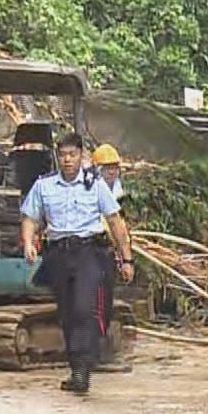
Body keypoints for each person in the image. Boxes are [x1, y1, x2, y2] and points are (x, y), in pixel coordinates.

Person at [21, 132, 133, 394]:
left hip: (89, 253)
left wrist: (126, 258)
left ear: (81, 156)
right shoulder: (44, 185)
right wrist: (28, 243)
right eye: (62, 155)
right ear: (57, 157)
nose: (67, 160)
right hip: (58, 254)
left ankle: (83, 371)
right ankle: (77, 369)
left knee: (84, 308)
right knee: (68, 314)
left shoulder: (95, 185)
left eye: (72, 155)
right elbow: (30, 217)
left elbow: (115, 221)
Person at [90, 143, 130, 373]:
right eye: (107, 169)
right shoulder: (92, 191)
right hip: (95, 254)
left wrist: (123, 256)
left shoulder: (114, 192)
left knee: (103, 306)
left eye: (115, 168)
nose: (112, 173)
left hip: (106, 254)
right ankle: (98, 355)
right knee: (98, 306)